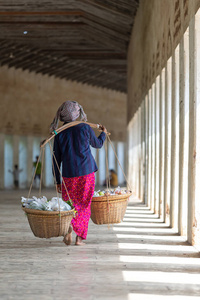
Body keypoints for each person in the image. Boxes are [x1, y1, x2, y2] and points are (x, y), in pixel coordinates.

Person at [50, 100, 107, 246]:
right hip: (86, 173)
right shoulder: (84, 128)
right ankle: (79, 238)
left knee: (69, 204)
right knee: (84, 204)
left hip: (68, 175)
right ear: (77, 113)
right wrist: (103, 134)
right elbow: (98, 144)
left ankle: (69, 229)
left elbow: (56, 159)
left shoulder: (59, 133)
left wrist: (57, 180)